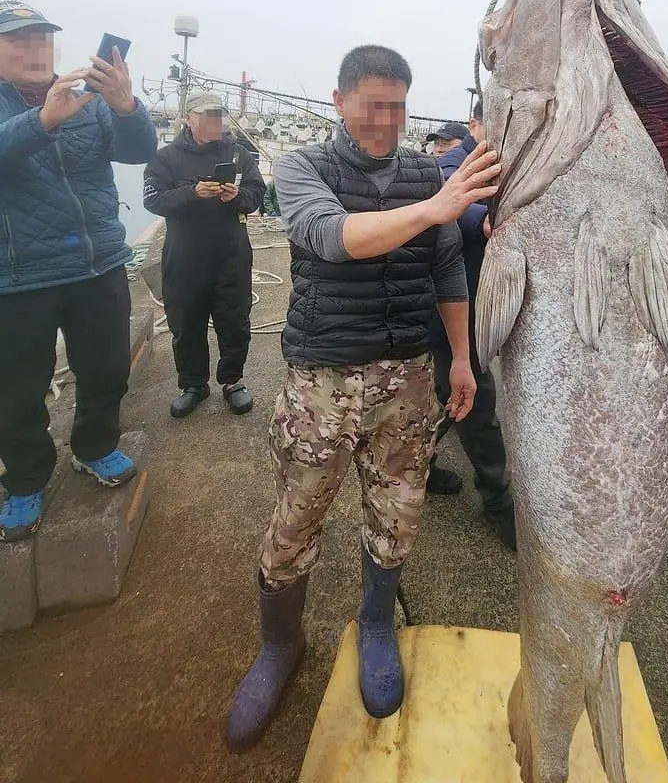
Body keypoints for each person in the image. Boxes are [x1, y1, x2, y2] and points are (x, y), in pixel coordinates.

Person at [225, 45, 500, 750]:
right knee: (297, 518)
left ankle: (378, 622)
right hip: (323, 378)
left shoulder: (418, 170)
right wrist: (438, 204)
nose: (387, 119)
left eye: (399, 105)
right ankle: (279, 648)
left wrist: (461, 361)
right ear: (341, 100)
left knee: (399, 512)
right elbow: (331, 238)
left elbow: (446, 273)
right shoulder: (305, 167)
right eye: (374, 103)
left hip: (407, 376)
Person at [0, 0, 158, 541]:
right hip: (18, 276)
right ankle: (25, 477)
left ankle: (94, 446)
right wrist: (42, 120)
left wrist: (126, 105)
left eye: (42, 38)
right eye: (18, 39)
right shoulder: (42, 105)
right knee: (18, 387)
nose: (34, 49)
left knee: (108, 367)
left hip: (98, 263)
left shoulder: (87, 100)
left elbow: (140, 151)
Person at [425, 99, 516, 549]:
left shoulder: (508, 162)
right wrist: (483, 222)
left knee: (439, 396)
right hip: (447, 307)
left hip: (479, 299)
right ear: (475, 125)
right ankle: (498, 499)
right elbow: (453, 201)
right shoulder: (453, 162)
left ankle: (420, 464)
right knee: (475, 398)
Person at [142, 91, 266, 418]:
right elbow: (153, 200)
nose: (216, 121)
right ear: (189, 118)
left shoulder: (239, 153)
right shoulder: (166, 158)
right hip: (184, 257)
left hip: (231, 255)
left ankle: (233, 381)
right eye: (208, 115)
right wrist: (192, 193)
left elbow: (257, 195)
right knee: (186, 324)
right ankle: (193, 384)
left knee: (234, 321)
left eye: (219, 115)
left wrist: (237, 196)